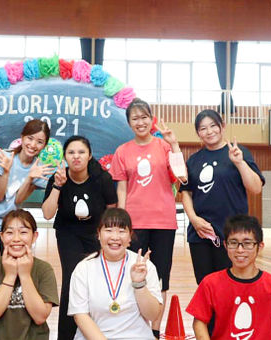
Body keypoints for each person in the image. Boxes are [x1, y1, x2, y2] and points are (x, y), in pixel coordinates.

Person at [109, 97, 185, 339]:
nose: (140, 122)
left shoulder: (163, 147)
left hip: (163, 221)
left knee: (160, 276)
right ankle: (136, 326)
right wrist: (122, 221)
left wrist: (174, 145)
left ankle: (154, 329)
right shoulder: (122, 151)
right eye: (135, 118)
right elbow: (121, 189)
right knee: (135, 274)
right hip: (135, 222)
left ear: (151, 119)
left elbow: (182, 176)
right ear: (129, 122)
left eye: (144, 117)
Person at [42, 135, 118, 340]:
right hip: (68, 234)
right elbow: (48, 214)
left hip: (95, 234)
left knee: (97, 280)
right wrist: (58, 186)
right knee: (73, 279)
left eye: (81, 152)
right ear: (65, 157)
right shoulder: (59, 177)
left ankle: (96, 331)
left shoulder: (102, 178)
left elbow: (112, 210)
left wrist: (107, 236)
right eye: (71, 152)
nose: (76, 157)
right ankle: (66, 335)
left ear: (90, 155)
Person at [179, 109, 264, 285]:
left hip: (232, 234)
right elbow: (186, 192)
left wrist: (239, 163)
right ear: (198, 133)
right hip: (201, 234)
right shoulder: (194, 160)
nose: (209, 131)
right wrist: (194, 219)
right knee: (205, 285)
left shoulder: (239, 153)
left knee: (231, 285)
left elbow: (255, 188)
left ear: (222, 126)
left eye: (213, 126)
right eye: (203, 128)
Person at [186, 215, 271, 339]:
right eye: (233, 243)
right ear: (225, 245)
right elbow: (199, 322)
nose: (240, 250)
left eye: (247, 243)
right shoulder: (210, 283)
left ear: (260, 246)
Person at [68, 207, 163, 340]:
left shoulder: (144, 266)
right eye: (108, 230)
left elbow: (153, 315)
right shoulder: (84, 268)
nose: (115, 237)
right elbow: (80, 315)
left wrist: (139, 285)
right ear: (99, 234)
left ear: (130, 236)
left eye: (122, 231)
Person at [0, 209, 59, 340]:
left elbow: (40, 317)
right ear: (1, 237)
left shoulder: (44, 269)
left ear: (34, 236)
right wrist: (10, 276)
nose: (16, 239)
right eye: (9, 232)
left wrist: (24, 275)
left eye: (23, 232)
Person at [0, 119, 54, 260]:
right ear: (22, 137)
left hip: (10, 227)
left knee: (11, 267)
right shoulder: (4, 157)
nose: (33, 145)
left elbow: (18, 200)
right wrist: (6, 171)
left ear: (44, 146)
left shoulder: (38, 169)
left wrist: (30, 179)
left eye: (40, 142)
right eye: (30, 138)